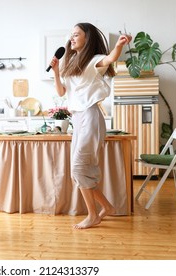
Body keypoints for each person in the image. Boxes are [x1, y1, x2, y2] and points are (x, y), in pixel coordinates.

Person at [49, 23, 132, 229]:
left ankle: (93, 215)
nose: (72, 38)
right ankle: (108, 207)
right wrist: (56, 72)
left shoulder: (94, 60)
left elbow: (110, 58)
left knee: (79, 168)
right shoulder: (72, 63)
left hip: (90, 117)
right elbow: (61, 93)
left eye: (77, 34)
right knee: (78, 171)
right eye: (71, 35)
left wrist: (119, 45)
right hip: (78, 120)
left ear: (88, 38)